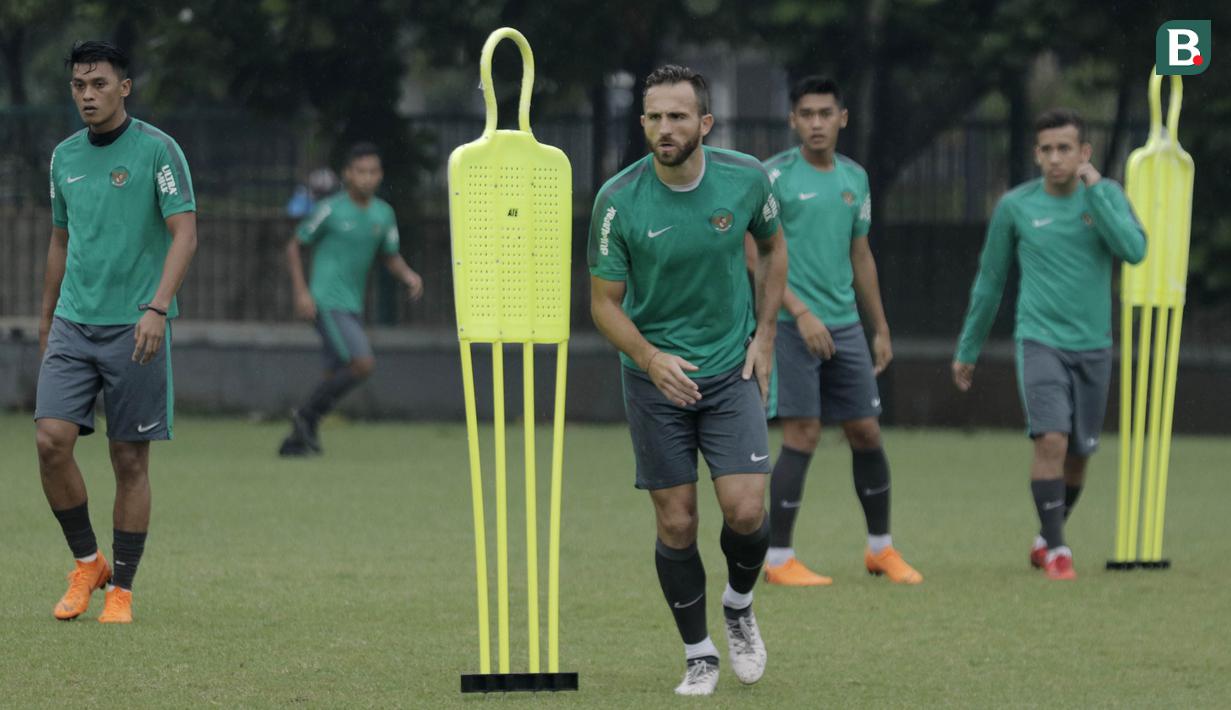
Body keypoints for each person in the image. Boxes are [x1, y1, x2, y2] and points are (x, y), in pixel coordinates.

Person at [588, 65, 788, 696]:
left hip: (730, 369)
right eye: (654, 117)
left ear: (705, 122)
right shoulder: (618, 198)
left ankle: (739, 605)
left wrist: (765, 335)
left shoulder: (746, 177)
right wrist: (651, 360)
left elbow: (773, 247)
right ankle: (699, 654)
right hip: (654, 382)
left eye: (677, 116)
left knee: (747, 511)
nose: (664, 128)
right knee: (677, 523)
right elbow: (603, 304)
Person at [36, 40, 198, 623]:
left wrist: (157, 307)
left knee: (129, 461)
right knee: (51, 441)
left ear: (123, 88)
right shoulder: (63, 157)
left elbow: (185, 233)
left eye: (99, 84)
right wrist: (46, 318)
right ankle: (88, 563)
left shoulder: (158, 150)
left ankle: (121, 590)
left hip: (137, 327)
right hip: (73, 324)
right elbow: (60, 241)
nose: (88, 95)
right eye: (79, 85)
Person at [953, 108, 1146, 580]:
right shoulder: (1015, 206)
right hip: (1039, 342)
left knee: (1078, 456)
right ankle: (1059, 549)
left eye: (1065, 148)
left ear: (1084, 152)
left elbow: (1134, 250)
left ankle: (1045, 538)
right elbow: (990, 281)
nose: (1056, 158)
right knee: (1051, 440)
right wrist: (968, 348)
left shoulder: (1106, 195)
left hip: (1094, 345)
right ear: (1036, 154)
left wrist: (1096, 191)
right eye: (1047, 150)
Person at [761, 76, 922, 587]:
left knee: (866, 431)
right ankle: (778, 558)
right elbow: (754, 254)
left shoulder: (856, 177)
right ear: (793, 120)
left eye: (825, 113)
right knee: (802, 434)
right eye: (806, 114)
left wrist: (881, 327)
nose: (816, 123)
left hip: (846, 325)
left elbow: (861, 254)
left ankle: (880, 550)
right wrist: (800, 312)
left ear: (842, 118)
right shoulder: (773, 177)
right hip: (793, 326)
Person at [278, 143, 424, 456]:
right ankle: (305, 415)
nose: (367, 178)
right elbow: (294, 246)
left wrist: (409, 275)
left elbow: (390, 255)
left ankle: (296, 441)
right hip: (326, 301)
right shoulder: (330, 209)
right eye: (361, 171)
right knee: (362, 363)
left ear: (380, 175)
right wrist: (302, 292)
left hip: (352, 304)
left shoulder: (383, 214)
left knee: (335, 374)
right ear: (348, 174)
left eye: (373, 171)